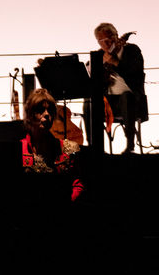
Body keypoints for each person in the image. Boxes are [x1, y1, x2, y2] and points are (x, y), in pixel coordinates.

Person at [92, 23, 146, 154]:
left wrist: (116, 62)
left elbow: (136, 74)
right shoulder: (99, 55)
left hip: (131, 98)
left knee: (127, 97)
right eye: (101, 41)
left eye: (108, 39)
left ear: (116, 36)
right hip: (108, 101)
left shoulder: (132, 50)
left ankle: (130, 146)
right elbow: (94, 81)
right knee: (89, 104)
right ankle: (95, 148)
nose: (105, 43)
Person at [20, 88, 83, 201]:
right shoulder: (20, 149)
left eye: (50, 110)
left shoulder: (66, 149)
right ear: (30, 115)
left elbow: (77, 184)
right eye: (40, 110)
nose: (47, 114)